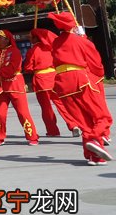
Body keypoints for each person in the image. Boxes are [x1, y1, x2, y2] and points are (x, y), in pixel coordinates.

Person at [48, 12, 112, 165]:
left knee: (84, 122)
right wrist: (83, 39)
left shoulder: (56, 43)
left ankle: (95, 156)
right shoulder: (80, 41)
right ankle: (94, 139)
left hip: (62, 84)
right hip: (79, 79)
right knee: (102, 117)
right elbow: (95, 63)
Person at [23, 28, 77, 136]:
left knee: (46, 107)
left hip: (41, 80)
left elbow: (28, 68)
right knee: (61, 104)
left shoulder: (32, 51)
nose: (30, 39)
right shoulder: (50, 48)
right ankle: (73, 124)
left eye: (31, 38)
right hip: (54, 78)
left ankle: (53, 130)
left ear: (35, 38)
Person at [0, 29, 39, 146]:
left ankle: (32, 136)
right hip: (1, 86)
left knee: (22, 112)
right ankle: (0, 136)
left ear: (7, 40)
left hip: (14, 84)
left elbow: (12, 69)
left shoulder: (15, 52)